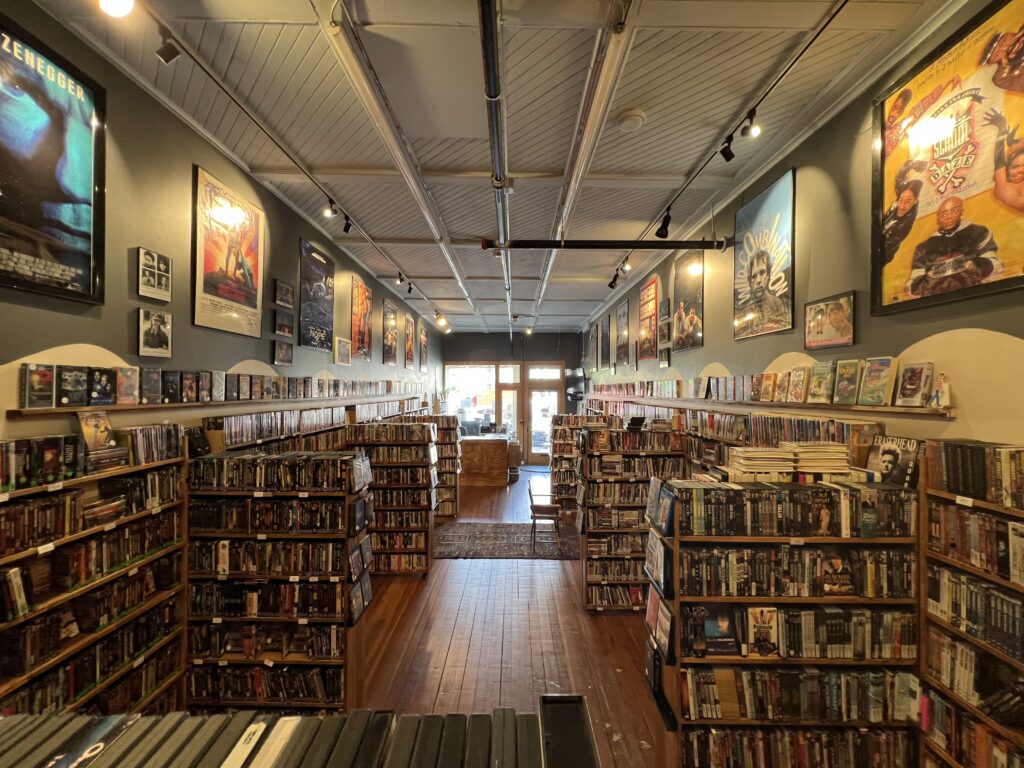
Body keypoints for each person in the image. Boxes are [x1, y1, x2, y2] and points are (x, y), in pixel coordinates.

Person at [907, 196, 1002, 297]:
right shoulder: (923, 248)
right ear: (938, 218)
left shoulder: (978, 232)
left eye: (954, 211)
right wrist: (929, 280)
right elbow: (912, 287)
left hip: (976, 296)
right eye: (944, 213)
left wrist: (976, 266)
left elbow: (996, 265)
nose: (949, 216)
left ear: (962, 212)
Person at [882, 159, 927, 263]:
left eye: (908, 202)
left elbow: (886, 245)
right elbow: (900, 177)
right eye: (901, 200)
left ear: (916, 200)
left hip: (883, 255)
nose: (901, 206)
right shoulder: (903, 192)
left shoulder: (904, 225)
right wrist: (912, 164)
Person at [984, 108, 1024, 211]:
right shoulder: (1004, 190)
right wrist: (1001, 129)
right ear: (1006, 170)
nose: (1021, 170)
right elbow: (999, 162)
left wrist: (1014, 143)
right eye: (1016, 167)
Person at [741, 249, 788, 332]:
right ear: (750, 282)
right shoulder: (746, 312)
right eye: (754, 276)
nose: (758, 280)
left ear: (768, 276)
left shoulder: (778, 303)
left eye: (762, 273)